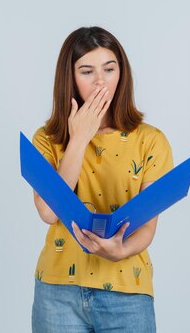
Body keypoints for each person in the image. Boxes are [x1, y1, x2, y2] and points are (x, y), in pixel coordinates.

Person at [30, 26, 174, 333]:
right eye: (87, 71)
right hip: (57, 293)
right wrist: (79, 138)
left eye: (109, 69)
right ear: (69, 78)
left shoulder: (151, 140)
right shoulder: (47, 140)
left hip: (127, 292)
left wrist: (120, 251)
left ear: (121, 73)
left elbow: (147, 225)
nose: (100, 81)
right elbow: (48, 211)